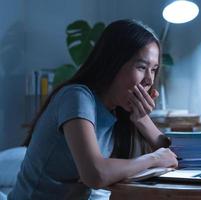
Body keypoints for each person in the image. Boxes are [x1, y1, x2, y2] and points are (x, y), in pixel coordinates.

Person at [8, 19, 178, 199]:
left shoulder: (117, 111)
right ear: (113, 63)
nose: (149, 80)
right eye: (142, 67)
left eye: (153, 69)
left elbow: (174, 158)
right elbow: (95, 174)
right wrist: (154, 159)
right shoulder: (77, 97)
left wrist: (142, 120)